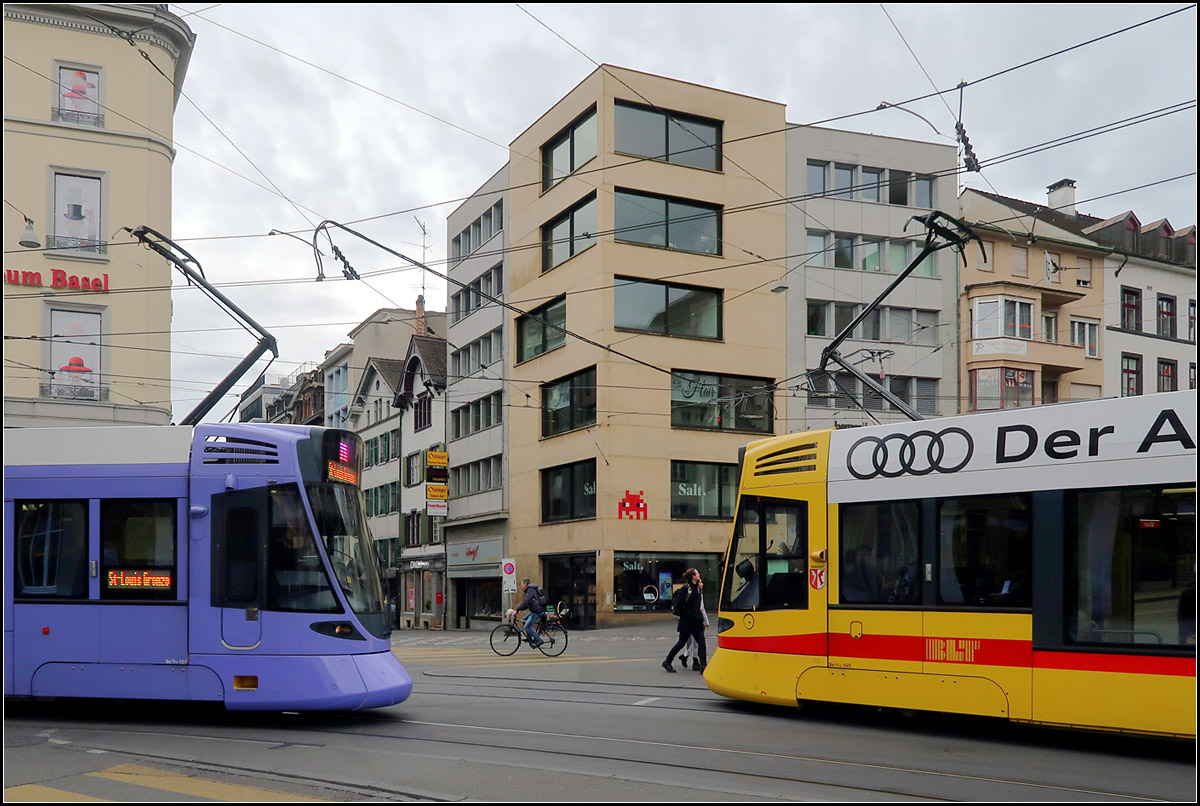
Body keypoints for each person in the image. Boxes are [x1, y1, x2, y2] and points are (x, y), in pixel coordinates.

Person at [663, 568, 707, 673]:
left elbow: (697, 607)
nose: (699, 574)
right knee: (681, 643)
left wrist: (700, 619)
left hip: (695, 622)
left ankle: (703, 666)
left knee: (701, 643)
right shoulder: (686, 589)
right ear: (693, 576)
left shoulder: (696, 588)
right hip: (687, 622)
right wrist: (692, 615)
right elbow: (680, 605)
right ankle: (667, 661)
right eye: (697, 573)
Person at [678, 576, 709, 671]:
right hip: (692, 621)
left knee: (693, 642)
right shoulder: (693, 593)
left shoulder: (698, 593)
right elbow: (701, 609)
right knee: (694, 642)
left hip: (693, 621)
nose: (702, 584)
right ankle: (696, 662)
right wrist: (706, 621)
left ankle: (686, 656)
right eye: (700, 583)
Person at [506, 578, 547, 648]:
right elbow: (528, 604)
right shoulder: (530, 590)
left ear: (525, 584)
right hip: (536, 610)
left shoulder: (530, 590)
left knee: (527, 626)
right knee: (524, 620)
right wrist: (519, 610)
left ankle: (539, 640)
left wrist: (518, 609)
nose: (521, 585)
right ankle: (530, 638)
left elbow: (526, 601)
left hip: (537, 611)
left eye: (521, 584)